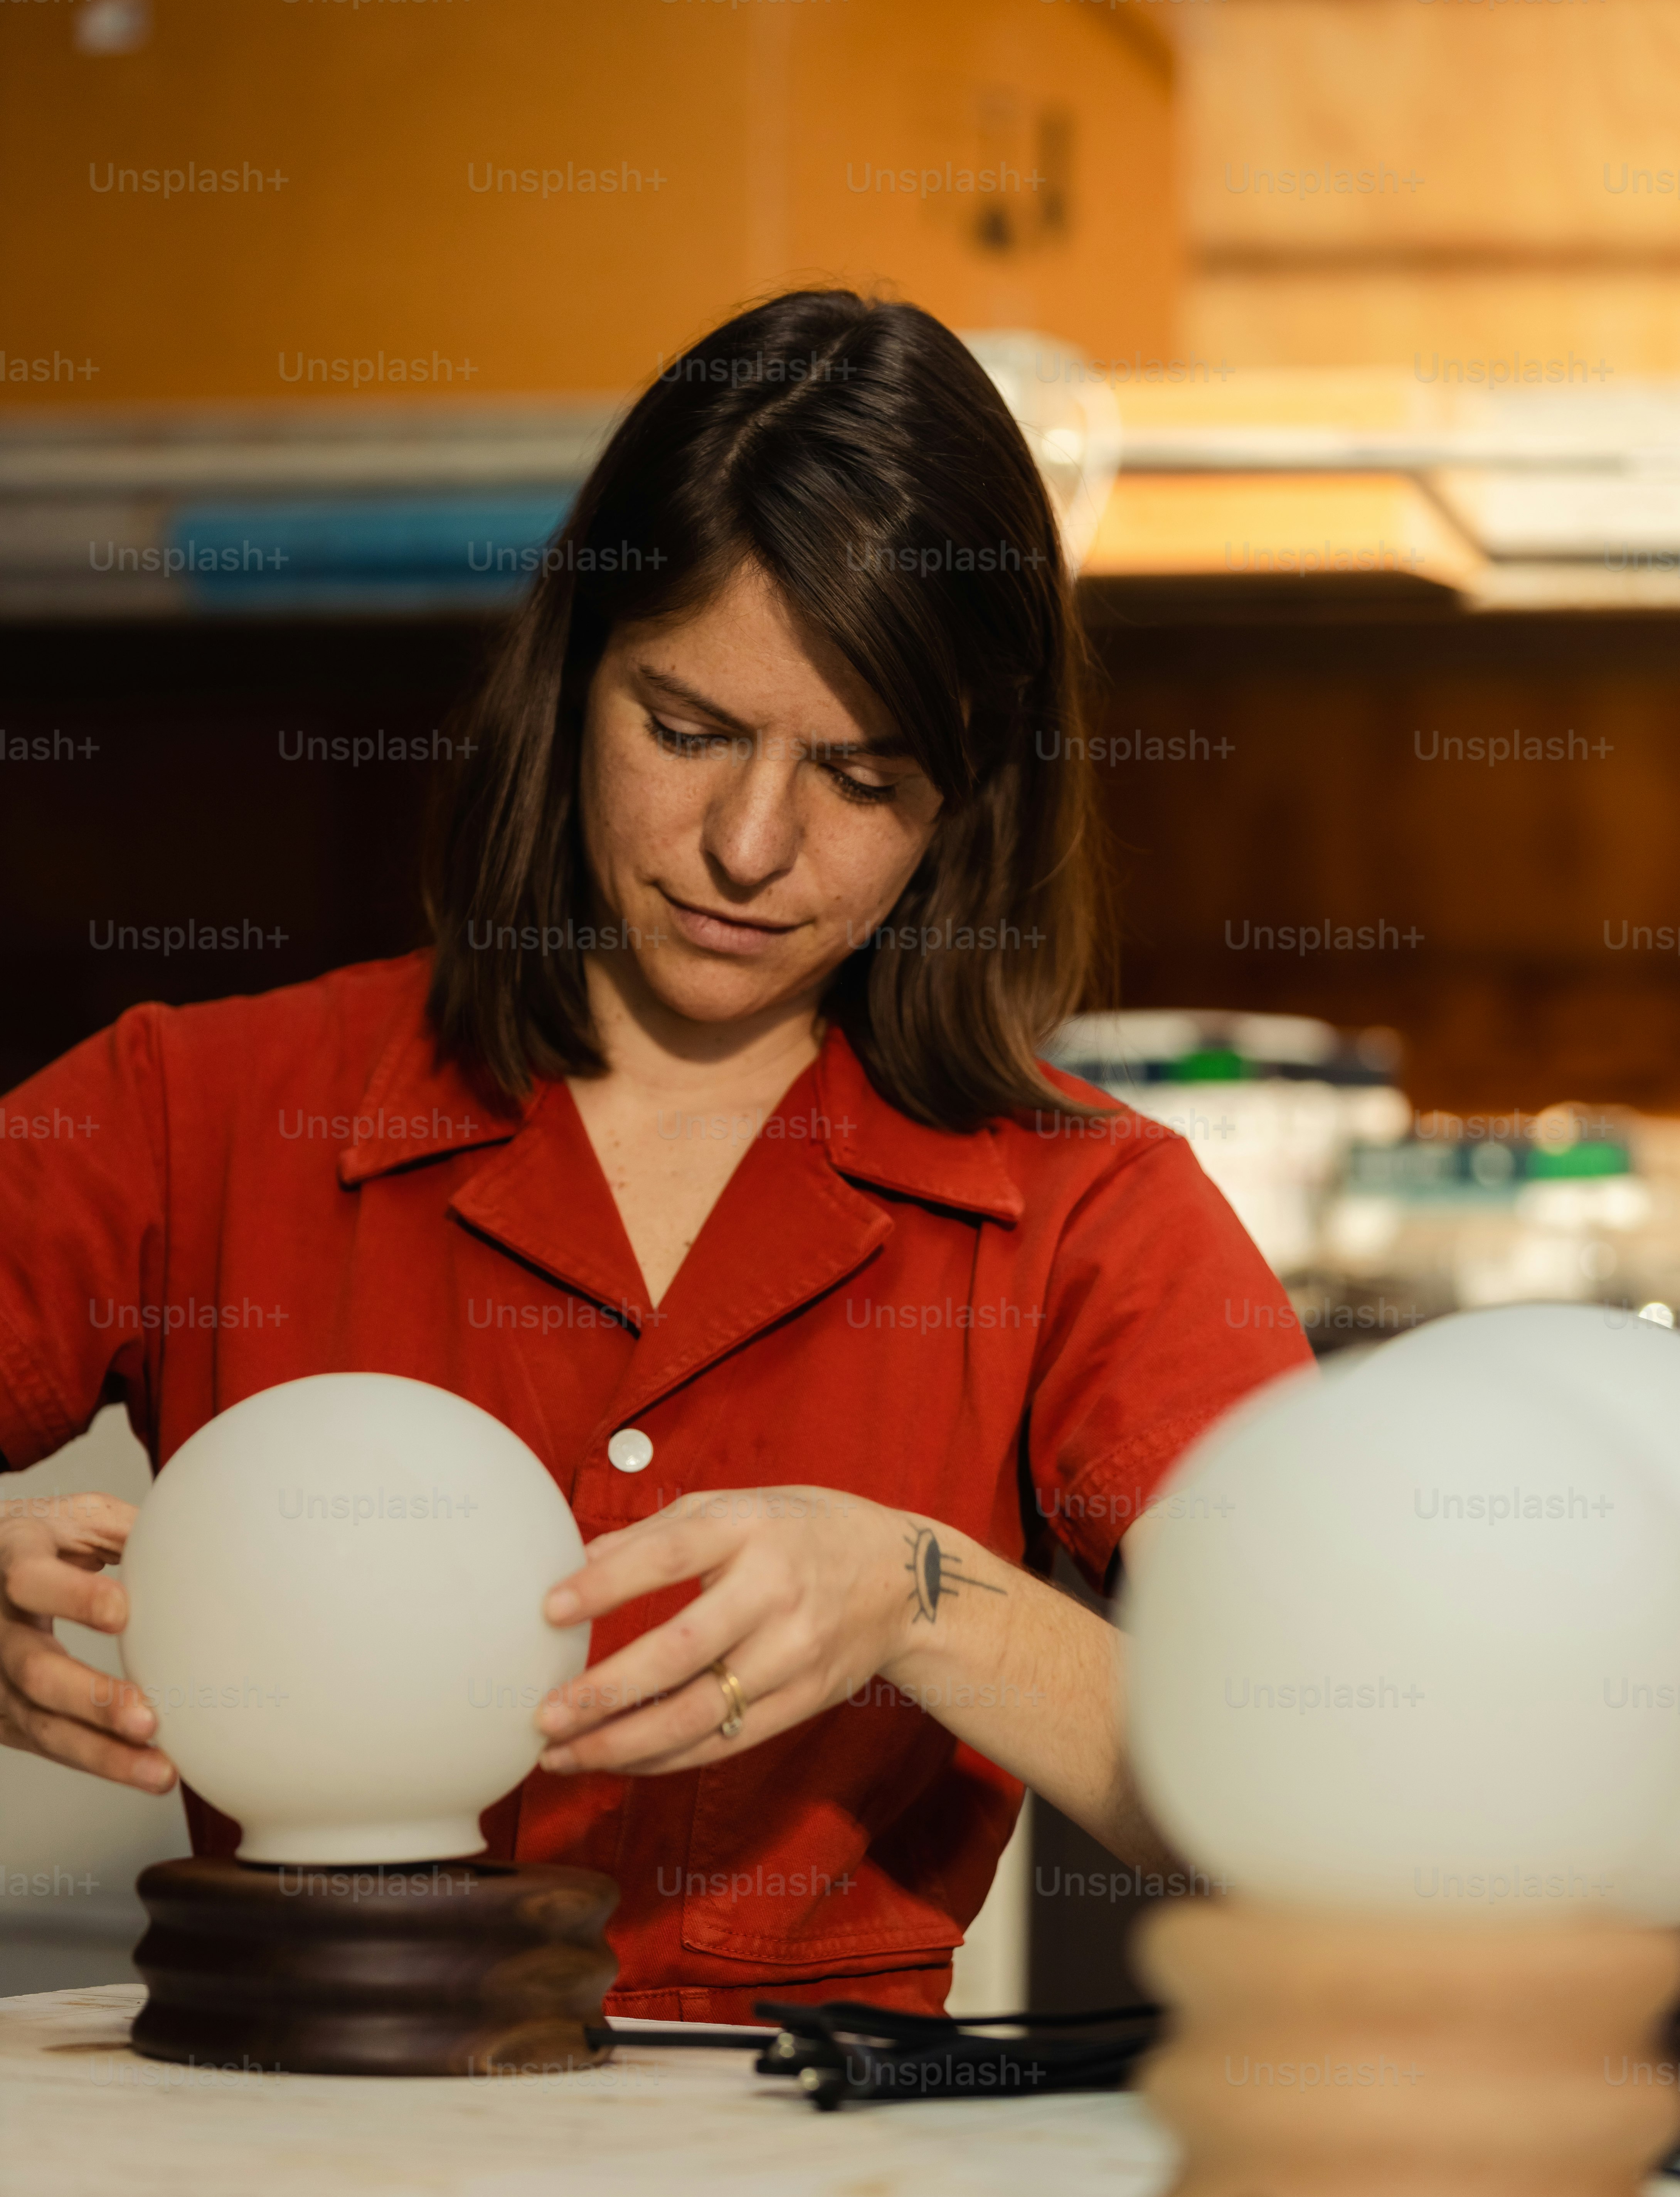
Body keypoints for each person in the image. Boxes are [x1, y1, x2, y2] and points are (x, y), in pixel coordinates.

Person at [0, 291, 1310, 2020]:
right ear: (571, 679)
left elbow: (1359, 1787)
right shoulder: (206, 1107)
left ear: (969, 795)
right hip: (288, 2132)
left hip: (818, 2156)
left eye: (863, 777)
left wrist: (927, 1599)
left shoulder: (1087, 1215)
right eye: (686, 730)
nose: (750, 846)